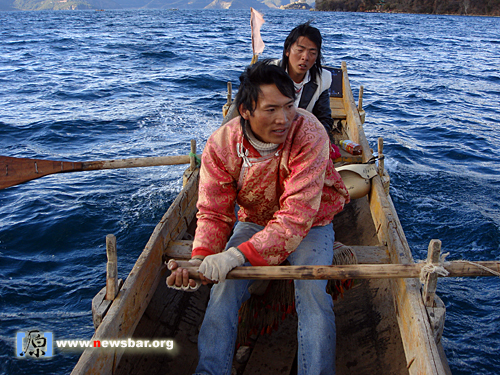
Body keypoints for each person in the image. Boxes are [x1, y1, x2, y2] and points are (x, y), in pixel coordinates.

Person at [166, 60, 349, 375]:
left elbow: (295, 219)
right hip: (255, 220)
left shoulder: (310, 132)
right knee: (222, 289)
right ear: (245, 110)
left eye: (289, 106)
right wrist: (203, 262)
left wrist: (235, 256)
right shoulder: (221, 145)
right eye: (271, 110)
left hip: (311, 223)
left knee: (313, 291)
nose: (283, 119)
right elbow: (213, 211)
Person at [276, 21, 334, 133]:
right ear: (287, 51)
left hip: (303, 135)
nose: (305, 57)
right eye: (300, 50)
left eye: (312, 53)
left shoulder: (323, 78)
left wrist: (316, 139)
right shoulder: (269, 72)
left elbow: (324, 119)